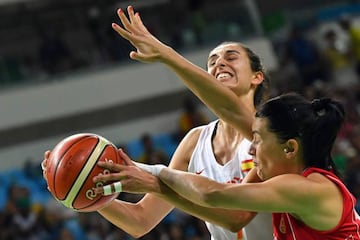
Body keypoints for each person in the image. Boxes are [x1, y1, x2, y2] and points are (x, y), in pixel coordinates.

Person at [42, 5, 273, 240]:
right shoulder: (195, 141)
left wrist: (165, 53)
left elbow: (236, 217)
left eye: (231, 57)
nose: (219, 63)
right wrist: (82, 186)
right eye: (212, 61)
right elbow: (140, 220)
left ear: (257, 76)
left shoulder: (272, 132)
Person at [103, 93, 360, 239]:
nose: (251, 148)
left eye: (257, 140)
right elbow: (228, 214)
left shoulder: (309, 188)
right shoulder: (276, 178)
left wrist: (151, 171)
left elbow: (214, 194)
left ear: (290, 148)